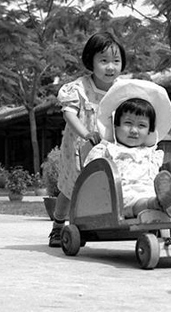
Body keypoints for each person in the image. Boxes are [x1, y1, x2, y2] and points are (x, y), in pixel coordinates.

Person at [85, 79, 171, 218]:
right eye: (128, 123)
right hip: (119, 197)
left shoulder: (150, 153)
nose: (134, 130)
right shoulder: (107, 149)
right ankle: (162, 203)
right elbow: (90, 175)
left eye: (141, 126)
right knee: (140, 202)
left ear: (149, 131)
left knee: (169, 200)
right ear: (115, 125)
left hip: (153, 192)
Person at [49, 31, 126, 247]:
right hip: (79, 147)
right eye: (104, 61)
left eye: (116, 61)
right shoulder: (78, 89)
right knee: (70, 187)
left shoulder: (122, 89)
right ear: (90, 61)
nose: (110, 67)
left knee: (109, 183)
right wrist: (86, 133)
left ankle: (102, 223)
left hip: (110, 147)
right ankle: (58, 226)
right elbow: (69, 113)